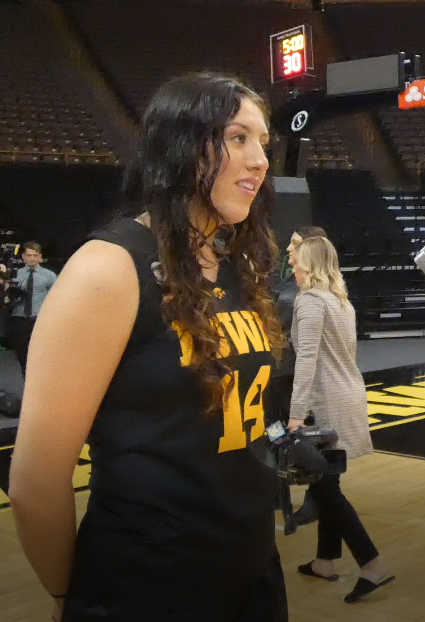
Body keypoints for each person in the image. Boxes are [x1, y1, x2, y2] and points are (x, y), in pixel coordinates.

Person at [9, 72, 289, 622]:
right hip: (145, 592)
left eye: (263, 143)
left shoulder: (234, 261)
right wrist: (74, 598)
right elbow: (35, 482)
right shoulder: (108, 268)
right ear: (181, 146)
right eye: (238, 138)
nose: (259, 159)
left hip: (252, 576)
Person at [287, 236, 394, 604]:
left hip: (324, 402)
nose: (292, 267)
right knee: (325, 484)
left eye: (297, 261)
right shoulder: (340, 300)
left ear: (311, 264)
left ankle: (372, 564)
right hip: (348, 394)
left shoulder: (311, 301)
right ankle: (325, 561)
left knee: (327, 490)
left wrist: (296, 414)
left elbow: (306, 360)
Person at [269, 225, 327, 528]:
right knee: (275, 432)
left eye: (295, 244)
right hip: (281, 373)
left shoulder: (312, 292)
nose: (288, 250)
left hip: (297, 376)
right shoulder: (289, 284)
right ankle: (278, 493)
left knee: (305, 437)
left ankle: (316, 493)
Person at [8, 242, 56, 375]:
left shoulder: (49, 276)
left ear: (40, 257)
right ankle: (26, 386)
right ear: (23, 256)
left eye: (35, 255)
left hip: (39, 320)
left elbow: (55, 299)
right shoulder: (15, 274)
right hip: (19, 318)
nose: (32, 258)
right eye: (29, 255)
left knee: (40, 356)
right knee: (22, 356)